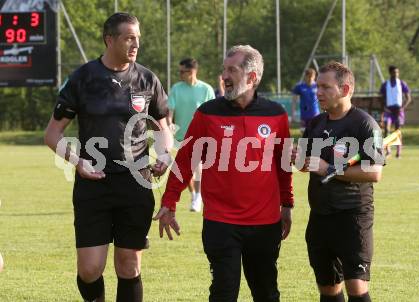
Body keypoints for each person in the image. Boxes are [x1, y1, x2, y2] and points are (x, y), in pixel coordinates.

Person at [44, 13, 173, 302]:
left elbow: (164, 126)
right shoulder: (83, 78)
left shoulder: (147, 79)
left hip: (136, 183)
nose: (135, 43)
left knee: (129, 265)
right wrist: (79, 162)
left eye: (137, 37)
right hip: (94, 184)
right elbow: (52, 133)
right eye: (128, 37)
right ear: (109, 39)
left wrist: (165, 153)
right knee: (90, 269)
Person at [154, 45, 294, 302]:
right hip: (221, 222)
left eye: (232, 70)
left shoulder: (276, 115)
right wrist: (169, 202)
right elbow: (185, 161)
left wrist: (287, 204)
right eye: (223, 70)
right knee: (223, 291)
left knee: (266, 293)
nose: (224, 77)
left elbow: (283, 166)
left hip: (265, 224)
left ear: (252, 77)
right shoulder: (207, 113)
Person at [292, 61, 384, 302]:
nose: (318, 92)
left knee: (356, 287)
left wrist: (327, 168)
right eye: (317, 87)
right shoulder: (314, 124)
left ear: (345, 90)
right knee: (328, 288)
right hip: (320, 216)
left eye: (325, 87)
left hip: (353, 217)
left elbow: (374, 172)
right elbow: (304, 165)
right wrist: (298, 159)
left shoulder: (364, 124)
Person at [167, 58, 215, 212]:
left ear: (192, 71)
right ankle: (194, 194)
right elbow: (170, 113)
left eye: (183, 71)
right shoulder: (176, 88)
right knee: (184, 169)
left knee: (198, 166)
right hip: (181, 136)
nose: (180, 74)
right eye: (179, 71)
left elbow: (213, 114)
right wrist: (169, 126)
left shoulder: (206, 89)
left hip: (201, 136)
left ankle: (198, 196)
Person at [379, 65, 411, 158]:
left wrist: (403, 107)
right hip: (389, 110)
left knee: (397, 131)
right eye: (394, 72)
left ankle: (398, 152)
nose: (396, 74)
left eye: (397, 72)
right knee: (386, 129)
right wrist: (384, 108)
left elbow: (408, 98)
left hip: (398, 110)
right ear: (390, 73)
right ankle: (388, 150)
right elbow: (381, 98)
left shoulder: (401, 83)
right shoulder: (385, 84)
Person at [291, 68, 320, 132]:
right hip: (304, 115)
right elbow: (294, 101)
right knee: (303, 133)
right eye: (308, 77)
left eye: (311, 77)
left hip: (315, 114)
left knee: (316, 133)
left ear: (314, 76)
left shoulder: (318, 86)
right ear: (305, 76)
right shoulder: (299, 87)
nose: (310, 79)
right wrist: (293, 114)